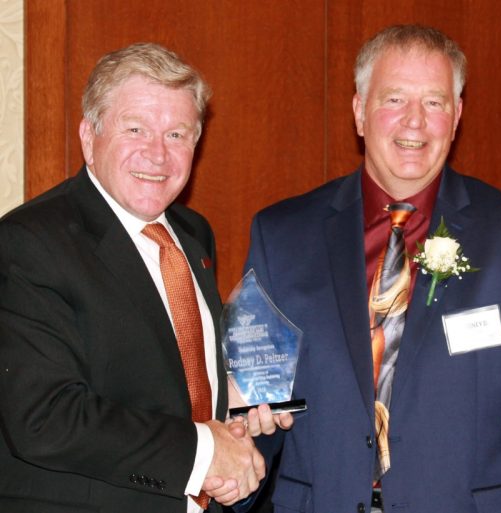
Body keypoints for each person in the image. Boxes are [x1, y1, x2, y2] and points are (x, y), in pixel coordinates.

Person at [243, 25, 501, 512]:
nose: (415, 123)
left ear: (458, 115)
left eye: (435, 102)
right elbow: (258, 400)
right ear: (360, 111)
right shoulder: (282, 235)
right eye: (395, 99)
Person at [0, 43, 289, 513]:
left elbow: (174, 383)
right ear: (88, 136)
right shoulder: (28, 242)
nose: (157, 154)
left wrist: (234, 415)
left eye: (177, 134)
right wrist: (204, 453)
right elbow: (44, 417)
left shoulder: (194, 236)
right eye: (135, 129)